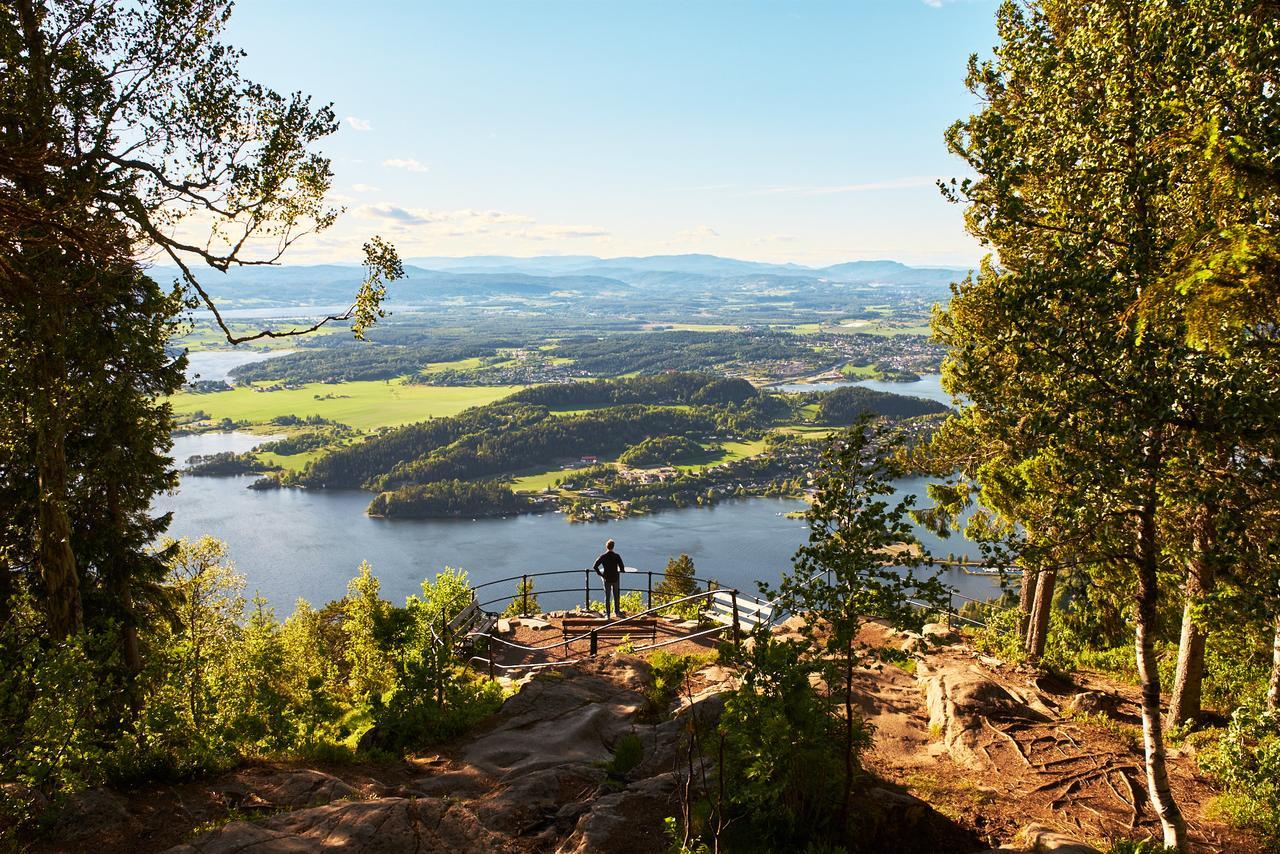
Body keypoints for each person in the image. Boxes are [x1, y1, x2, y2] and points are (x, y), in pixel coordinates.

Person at [593, 539, 625, 618]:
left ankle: (608, 614)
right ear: (613, 547)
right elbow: (622, 567)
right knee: (616, 596)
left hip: (606, 579)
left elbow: (595, 566)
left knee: (607, 597)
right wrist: (621, 570)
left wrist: (601, 575)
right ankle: (617, 612)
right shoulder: (617, 556)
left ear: (606, 547)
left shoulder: (603, 556)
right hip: (615, 578)